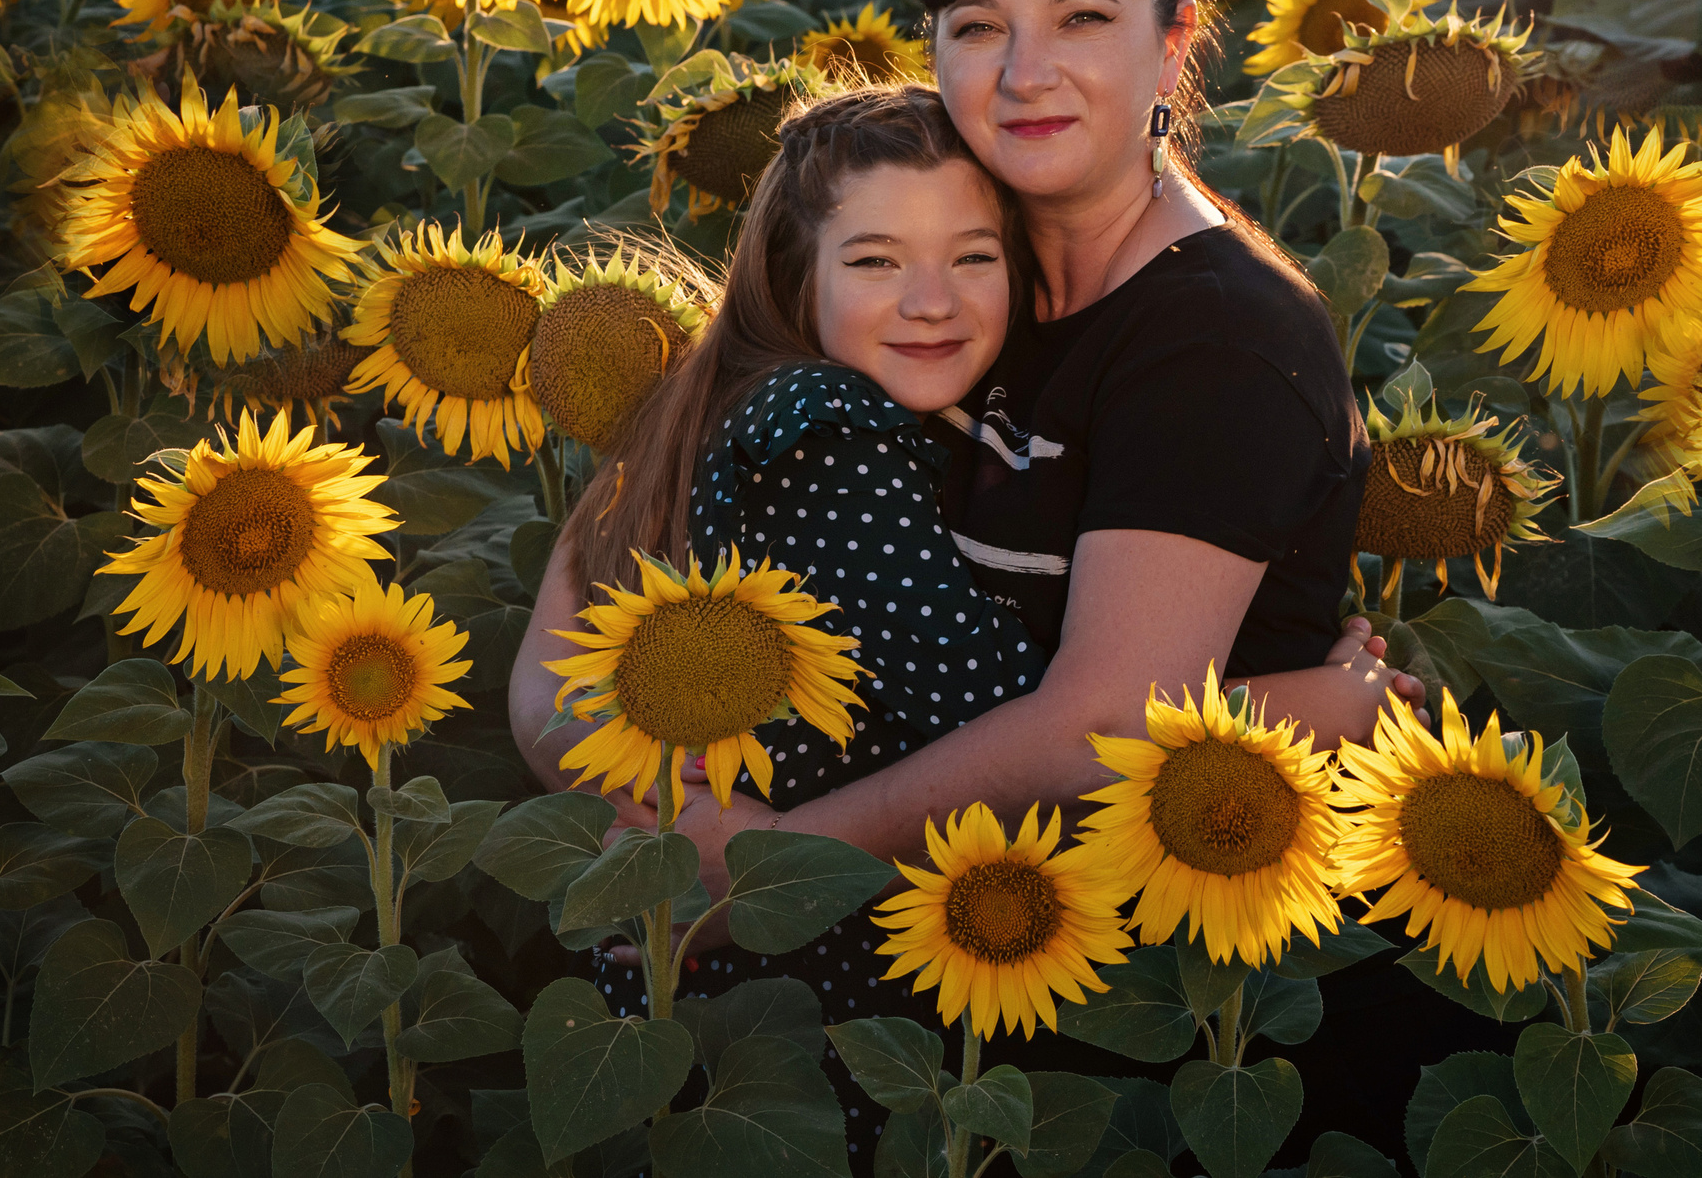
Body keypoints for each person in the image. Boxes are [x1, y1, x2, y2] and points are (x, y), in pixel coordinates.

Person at [507, 81, 1408, 1147]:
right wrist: (1305, 705)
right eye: (876, 260)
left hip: (731, 953)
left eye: (972, 256)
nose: (930, 299)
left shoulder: (740, 401)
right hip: (821, 986)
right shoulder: (828, 434)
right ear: (800, 279)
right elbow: (1015, 722)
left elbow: (544, 684)